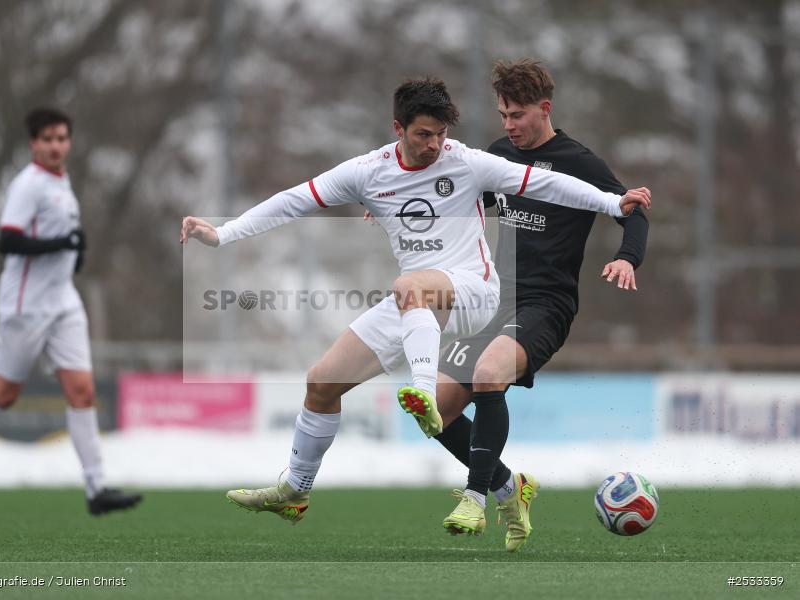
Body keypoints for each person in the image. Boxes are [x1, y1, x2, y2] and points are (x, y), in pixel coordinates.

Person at [180, 78, 651, 524]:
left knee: (410, 289)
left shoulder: (465, 161)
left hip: (475, 292)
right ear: (398, 129)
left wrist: (613, 205)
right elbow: (293, 200)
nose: (434, 144)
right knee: (322, 382)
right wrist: (222, 233)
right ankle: (297, 491)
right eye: (424, 134)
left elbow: (543, 182)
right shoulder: (368, 172)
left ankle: (422, 390)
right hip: (418, 302)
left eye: (441, 133)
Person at [406, 59, 650, 549]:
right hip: (492, 296)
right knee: (435, 409)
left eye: (517, 114)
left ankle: (475, 498)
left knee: (490, 372)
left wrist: (627, 259)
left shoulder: (579, 162)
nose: (509, 125)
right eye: (502, 114)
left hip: (546, 303)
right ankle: (508, 486)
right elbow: (458, 200)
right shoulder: (500, 156)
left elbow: (633, 209)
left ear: (545, 109)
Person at [0, 108, 142, 517]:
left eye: (62, 138)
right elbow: (7, 241)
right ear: (33, 144)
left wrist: (73, 252)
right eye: (48, 139)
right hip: (25, 306)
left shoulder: (63, 182)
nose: (56, 145)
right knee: (3, 395)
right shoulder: (28, 185)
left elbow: (61, 240)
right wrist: (62, 243)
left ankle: (96, 488)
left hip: (63, 301)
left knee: (82, 391)